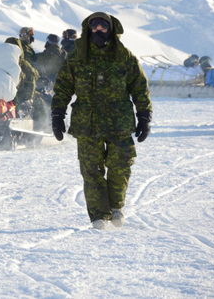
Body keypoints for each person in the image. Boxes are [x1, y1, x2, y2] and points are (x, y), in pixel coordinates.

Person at [51, 12, 152, 230]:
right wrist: (57, 114)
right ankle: (99, 215)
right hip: (87, 123)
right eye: (94, 26)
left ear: (111, 29)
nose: (98, 30)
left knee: (120, 166)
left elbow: (139, 88)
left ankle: (115, 206)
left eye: (103, 26)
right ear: (88, 29)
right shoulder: (77, 57)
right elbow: (63, 87)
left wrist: (144, 116)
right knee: (91, 170)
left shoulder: (124, 56)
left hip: (119, 123)